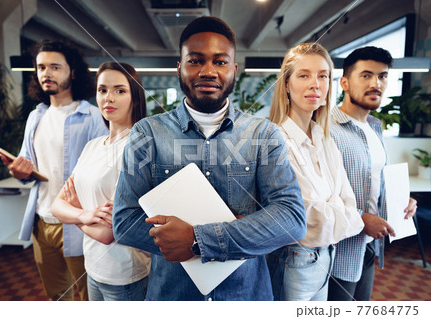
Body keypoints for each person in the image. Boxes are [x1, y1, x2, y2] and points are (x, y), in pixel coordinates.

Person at [112, 16, 306, 301]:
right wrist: (245, 229)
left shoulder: (263, 134)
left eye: (220, 61)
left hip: (245, 297)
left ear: (234, 69)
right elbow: (125, 222)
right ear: (179, 68)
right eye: (195, 60)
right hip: (174, 297)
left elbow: (291, 218)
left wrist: (196, 240)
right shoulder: (148, 134)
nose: (208, 71)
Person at [0, 40, 108, 301]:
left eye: (55, 67)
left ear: (72, 72)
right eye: (41, 67)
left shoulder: (93, 116)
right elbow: (27, 163)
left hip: (78, 222)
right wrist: (19, 171)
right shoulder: (35, 117)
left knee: (89, 297)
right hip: (41, 221)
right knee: (57, 296)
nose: (46, 73)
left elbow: (105, 172)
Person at [266, 42, 364, 301]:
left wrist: (336, 212)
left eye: (322, 76)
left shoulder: (324, 138)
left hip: (327, 256)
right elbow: (301, 220)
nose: (315, 84)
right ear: (286, 85)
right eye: (304, 75)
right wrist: (340, 213)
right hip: (294, 260)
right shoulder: (276, 141)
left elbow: (350, 203)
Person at [51, 62, 151, 301]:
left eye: (120, 90)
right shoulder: (93, 146)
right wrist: (85, 216)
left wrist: (74, 212)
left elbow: (109, 232)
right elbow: (57, 205)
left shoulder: (137, 149)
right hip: (93, 269)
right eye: (103, 90)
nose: (109, 98)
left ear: (135, 97)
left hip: (125, 275)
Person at [328, 46, 418, 301]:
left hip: (368, 248)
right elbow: (316, 195)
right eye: (366, 75)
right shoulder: (325, 128)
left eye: (382, 76)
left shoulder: (375, 128)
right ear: (344, 82)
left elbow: (374, 185)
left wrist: (402, 203)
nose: (375, 83)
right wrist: (360, 218)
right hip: (337, 253)